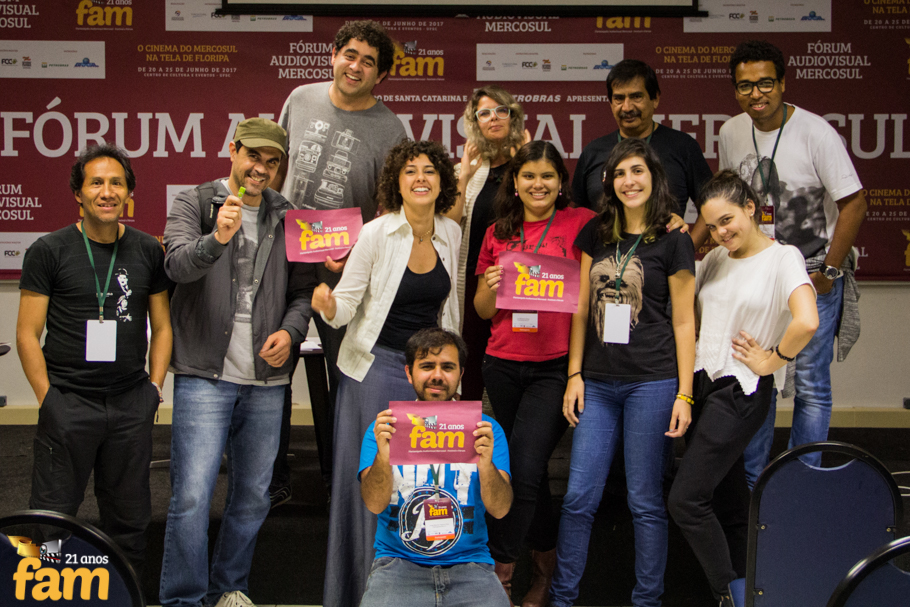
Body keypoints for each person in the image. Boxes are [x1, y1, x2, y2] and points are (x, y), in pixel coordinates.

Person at [159, 118, 316, 607]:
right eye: (253, 156)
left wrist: (291, 332)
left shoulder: (289, 215)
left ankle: (229, 587)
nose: (260, 168)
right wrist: (217, 238)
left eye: (272, 161)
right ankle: (183, 599)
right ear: (233, 150)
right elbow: (176, 265)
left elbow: (303, 292)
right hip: (204, 374)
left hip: (266, 380)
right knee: (191, 496)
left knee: (252, 495)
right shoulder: (195, 202)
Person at [312, 139, 461, 607]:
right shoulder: (376, 233)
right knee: (370, 493)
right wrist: (328, 305)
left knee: (426, 490)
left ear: (442, 181)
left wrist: (452, 375)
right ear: (396, 183)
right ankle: (361, 594)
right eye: (410, 171)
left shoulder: (451, 233)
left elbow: (450, 308)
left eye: (429, 170)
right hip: (374, 371)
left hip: (430, 379)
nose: (420, 178)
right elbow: (346, 306)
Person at [550, 138, 696, 607]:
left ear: (654, 177)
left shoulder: (674, 239)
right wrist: (574, 374)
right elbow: (580, 309)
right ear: (608, 182)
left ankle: (647, 600)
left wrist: (685, 394)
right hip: (596, 383)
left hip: (652, 382)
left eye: (638, 171)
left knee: (645, 502)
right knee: (578, 498)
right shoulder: (595, 232)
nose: (629, 181)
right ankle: (563, 598)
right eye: (620, 173)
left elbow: (684, 321)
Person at [15, 143, 171, 576]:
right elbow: (27, 333)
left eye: (117, 183)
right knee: (51, 517)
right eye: (96, 183)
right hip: (68, 402)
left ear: (128, 194)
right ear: (78, 194)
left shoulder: (148, 250)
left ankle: (125, 592)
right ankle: (44, 588)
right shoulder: (49, 250)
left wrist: (154, 389)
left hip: (129, 403)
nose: (107, 192)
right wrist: (48, 399)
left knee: (130, 517)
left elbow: (162, 327)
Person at [718, 40, 867, 486]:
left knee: (810, 384)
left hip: (811, 273)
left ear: (783, 83)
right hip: (758, 274)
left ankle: (803, 484)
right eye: (745, 86)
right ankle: (754, 486)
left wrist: (829, 273)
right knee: (756, 376)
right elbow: (730, 202)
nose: (756, 94)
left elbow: (855, 203)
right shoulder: (731, 132)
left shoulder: (816, 132)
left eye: (765, 83)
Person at [668, 171, 818, 607]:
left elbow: (807, 320)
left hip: (741, 389)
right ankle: (752, 589)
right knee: (729, 501)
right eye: (713, 226)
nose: (721, 232)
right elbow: (688, 311)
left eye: (728, 220)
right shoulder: (717, 257)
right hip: (703, 385)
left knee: (686, 500)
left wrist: (772, 361)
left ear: (751, 208)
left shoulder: (782, 257)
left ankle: (726, 594)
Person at [273, 19, 407, 504]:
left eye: (369, 62)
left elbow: (391, 207)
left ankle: (345, 482)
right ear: (333, 56)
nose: (356, 66)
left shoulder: (391, 128)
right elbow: (276, 170)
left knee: (347, 373)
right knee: (272, 370)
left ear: (381, 75)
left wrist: (357, 255)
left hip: (347, 272)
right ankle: (271, 479)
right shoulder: (300, 99)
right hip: (284, 261)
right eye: (350, 55)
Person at [473, 141, 594, 606]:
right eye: (528, 176)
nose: (537, 184)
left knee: (521, 469)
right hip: (502, 363)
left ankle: (500, 575)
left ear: (560, 182)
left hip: (554, 367)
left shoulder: (581, 223)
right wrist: (490, 287)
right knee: (530, 473)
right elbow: (483, 310)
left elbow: (632, 228)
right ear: (515, 182)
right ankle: (546, 569)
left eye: (547, 176)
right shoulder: (497, 231)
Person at [358, 327, 513, 607]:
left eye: (448, 367)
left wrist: (486, 464)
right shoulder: (383, 429)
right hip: (398, 566)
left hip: (471, 567)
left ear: (461, 374)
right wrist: (383, 456)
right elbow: (373, 504)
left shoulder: (486, 430)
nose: (437, 375)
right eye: (427, 366)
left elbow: (501, 509)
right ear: (409, 373)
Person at [446, 85, 530, 400]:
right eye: (484, 113)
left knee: (515, 360)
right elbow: (449, 225)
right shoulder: (464, 171)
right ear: (475, 122)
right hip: (474, 281)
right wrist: (464, 177)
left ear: (513, 117)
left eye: (501, 111)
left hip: (524, 280)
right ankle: (467, 423)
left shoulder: (531, 168)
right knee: (469, 358)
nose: (493, 118)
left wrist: (527, 161)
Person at [571, 59, 712, 245]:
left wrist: (685, 251)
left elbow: (712, 205)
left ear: (655, 99)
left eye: (636, 97)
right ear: (610, 103)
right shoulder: (593, 151)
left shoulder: (683, 146)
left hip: (664, 261)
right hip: (604, 259)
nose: (627, 107)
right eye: (619, 98)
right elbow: (574, 215)